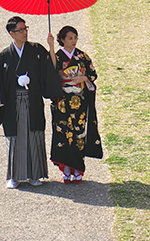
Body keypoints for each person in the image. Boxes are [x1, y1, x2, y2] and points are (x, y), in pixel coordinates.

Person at [0, 16, 62, 189]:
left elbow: (50, 68)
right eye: (20, 30)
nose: (24, 32)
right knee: (15, 139)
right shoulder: (5, 55)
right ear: (11, 33)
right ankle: (14, 176)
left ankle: (34, 175)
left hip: (32, 100)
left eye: (25, 28)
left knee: (34, 137)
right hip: (12, 104)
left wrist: (51, 47)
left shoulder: (36, 50)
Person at [48, 26, 103, 183]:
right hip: (63, 101)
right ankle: (66, 168)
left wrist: (84, 78)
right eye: (70, 38)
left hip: (79, 100)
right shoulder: (57, 56)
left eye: (75, 38)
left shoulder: (82, 56)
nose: (73, 41)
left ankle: (78, 167)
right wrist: (51, 47)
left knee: (79, 132)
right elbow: (51, 70)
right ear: (62, 39)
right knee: (63, 132)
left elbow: (92, 74)